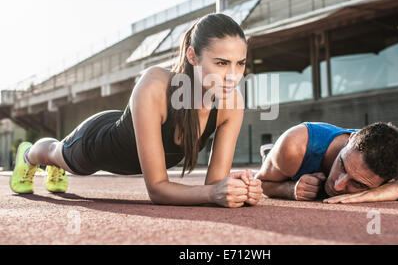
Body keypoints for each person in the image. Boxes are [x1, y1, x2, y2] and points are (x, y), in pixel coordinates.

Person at [10, 13, 263, 208]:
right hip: (95, 143)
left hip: (125, 129)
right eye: (221, 63)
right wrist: (213, 193)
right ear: (192, 56)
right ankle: (29, 155)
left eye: (239, 64)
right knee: (57, 153)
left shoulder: (232, 103)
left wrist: (236, 189)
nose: (233, 76)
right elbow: (157, 189)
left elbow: (214, 187)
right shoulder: (154, 85)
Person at [256, 122, 398, 203]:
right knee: (278, 160)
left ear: (388, 180)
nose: (338, 185)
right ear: (351, 139)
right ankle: (270, 152)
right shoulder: (296, 146)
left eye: (358, 183)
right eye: (342, 165)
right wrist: (290, 189)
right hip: (293, 156)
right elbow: (261, 184)